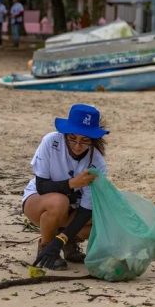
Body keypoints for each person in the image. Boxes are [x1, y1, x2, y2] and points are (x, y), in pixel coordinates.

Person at [22, 104, 108, 270]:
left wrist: (61, 239)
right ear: (66, 133)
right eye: (72, 138)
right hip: (39, 203)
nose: (77, 146)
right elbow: (42, 186)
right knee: (59, 201)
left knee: (100, 219)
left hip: (73, 211)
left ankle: (68, 243)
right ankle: (46, 246)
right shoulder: (51, 141)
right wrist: (73, 183)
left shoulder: (97, 163)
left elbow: (86, 210)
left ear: (93, 140)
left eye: (85, 140)